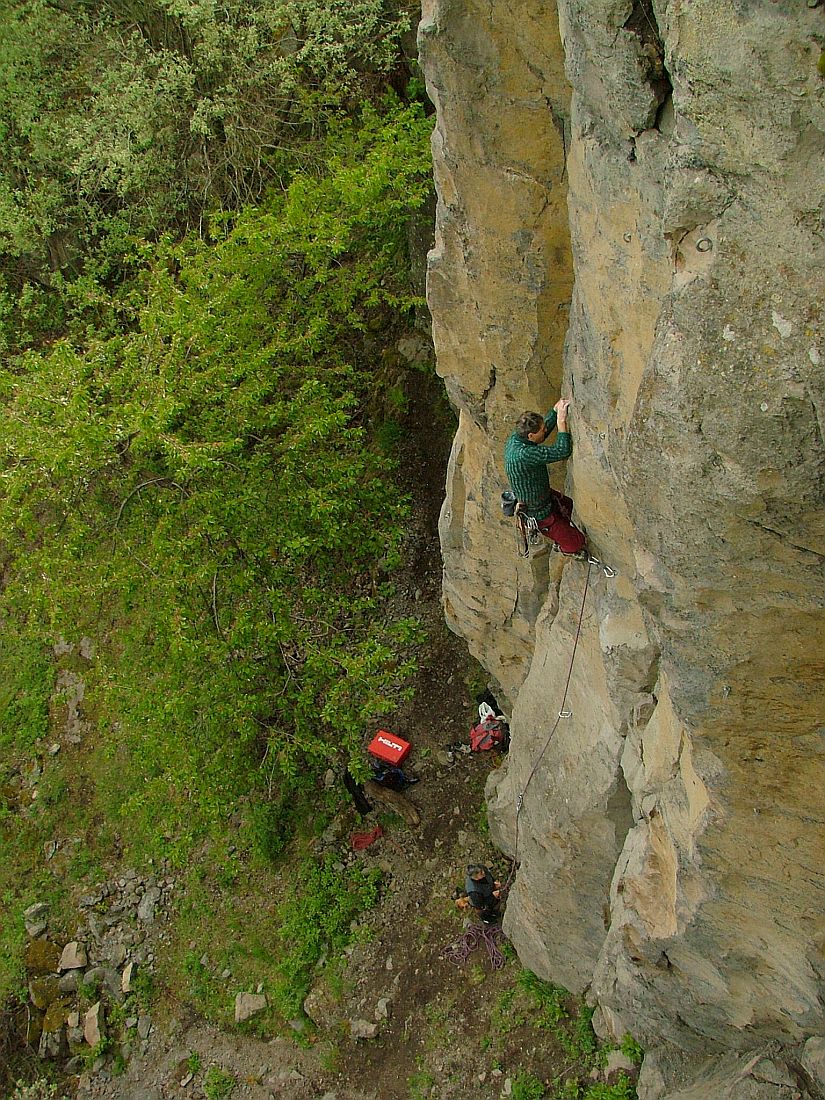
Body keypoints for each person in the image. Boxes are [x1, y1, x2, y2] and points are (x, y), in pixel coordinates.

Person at [503, 399, 586, 555]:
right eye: (542, 430)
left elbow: (541, 433)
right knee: (576, 543)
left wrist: (554, 412)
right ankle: (566, 547)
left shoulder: (516, 439)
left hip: (543, 497)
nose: (545, 430)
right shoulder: (524, 454)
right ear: (530, 435)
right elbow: (562, 451)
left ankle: (563, 536)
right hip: (539, 512)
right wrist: (561, 421)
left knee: (567, 505)